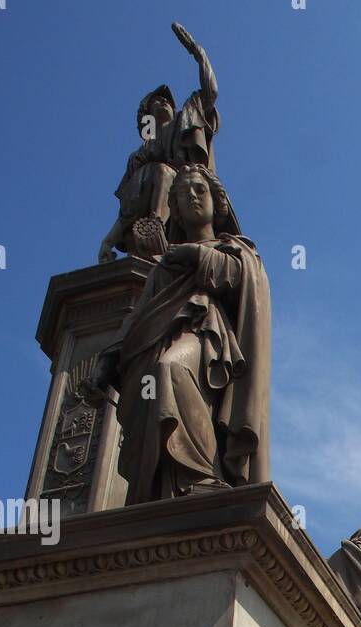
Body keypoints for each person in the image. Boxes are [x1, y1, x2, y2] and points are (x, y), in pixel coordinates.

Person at [84, 165, 269, 503]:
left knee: (170, 370)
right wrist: (104, 364)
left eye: (199, 189)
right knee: (151, 392)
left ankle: (200, 474)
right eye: (183, 194)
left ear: (217, 201)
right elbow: (138, 316)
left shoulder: (236, 248)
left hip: (205, 335)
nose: (192, 197)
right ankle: (159, 490)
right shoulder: (164, 265)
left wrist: (197, 254)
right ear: (177, 210)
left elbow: (238, 278)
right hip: (149, 342)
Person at [98, 23, 238, 263]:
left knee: (163, 171)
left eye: (167, 100)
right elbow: (127, 209)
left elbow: (211, 92)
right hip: (145, 222)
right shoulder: (138, 157)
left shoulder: (186, 118)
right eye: (156, 100)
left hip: (187, 197)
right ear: (146, 117)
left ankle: (156, 226)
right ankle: (149, 233)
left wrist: (198, 52)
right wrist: (109, 240)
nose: (164, 101)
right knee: (155, 171)